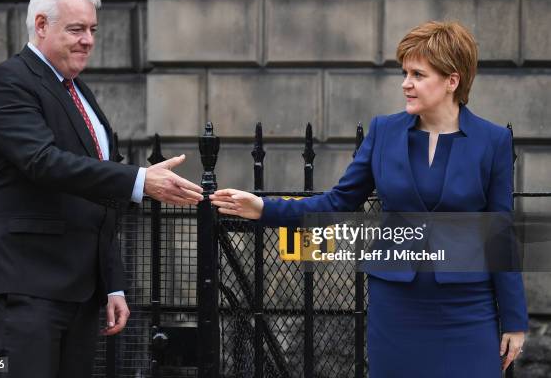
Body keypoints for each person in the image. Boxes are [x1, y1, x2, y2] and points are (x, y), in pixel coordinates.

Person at [210, 21, 528, 377]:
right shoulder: (384, 132)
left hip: (468, 308)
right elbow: (337, 203)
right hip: (396, 307)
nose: (406, 83)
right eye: (405, 72)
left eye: (418, 74)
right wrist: (264, 208)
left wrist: (515, 320)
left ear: (452, 81)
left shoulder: (493, 141)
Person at [0, 0, 203, 377]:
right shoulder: (9, 81)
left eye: (93, 29)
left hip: (79, 288)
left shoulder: (79, 92)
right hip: (27, 281)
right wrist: (138, 180)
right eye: (76, 29)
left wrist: (112, 283)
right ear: (41, 25)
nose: (88, 40)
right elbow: (43, 161)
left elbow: (97, 201)